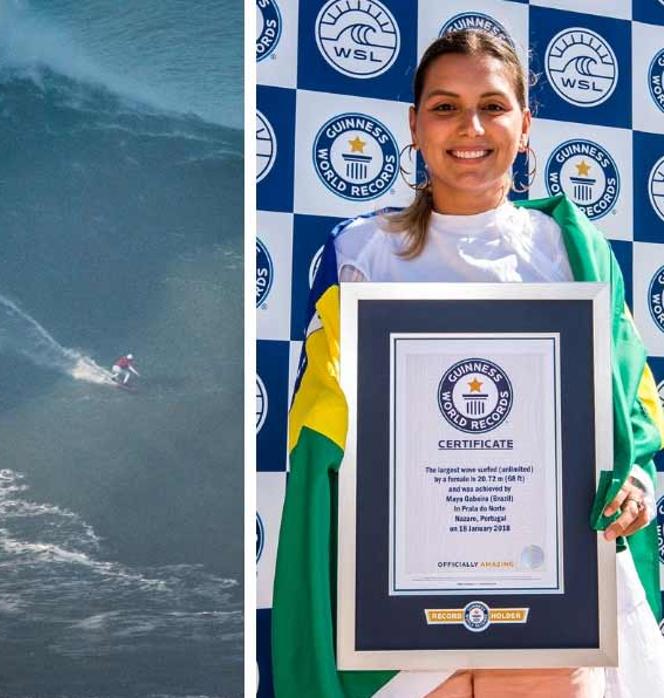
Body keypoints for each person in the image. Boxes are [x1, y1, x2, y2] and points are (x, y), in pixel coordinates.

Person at [272, 29, 664, 698]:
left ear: (526, 123)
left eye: (492, 104)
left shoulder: (572, 251)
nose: (470, 126)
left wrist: (635, 486)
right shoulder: (362, 253)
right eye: (446, 106)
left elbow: (631, 408)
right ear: (415, 126)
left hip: (548, 614)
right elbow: (323, 431)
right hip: (398, 629)